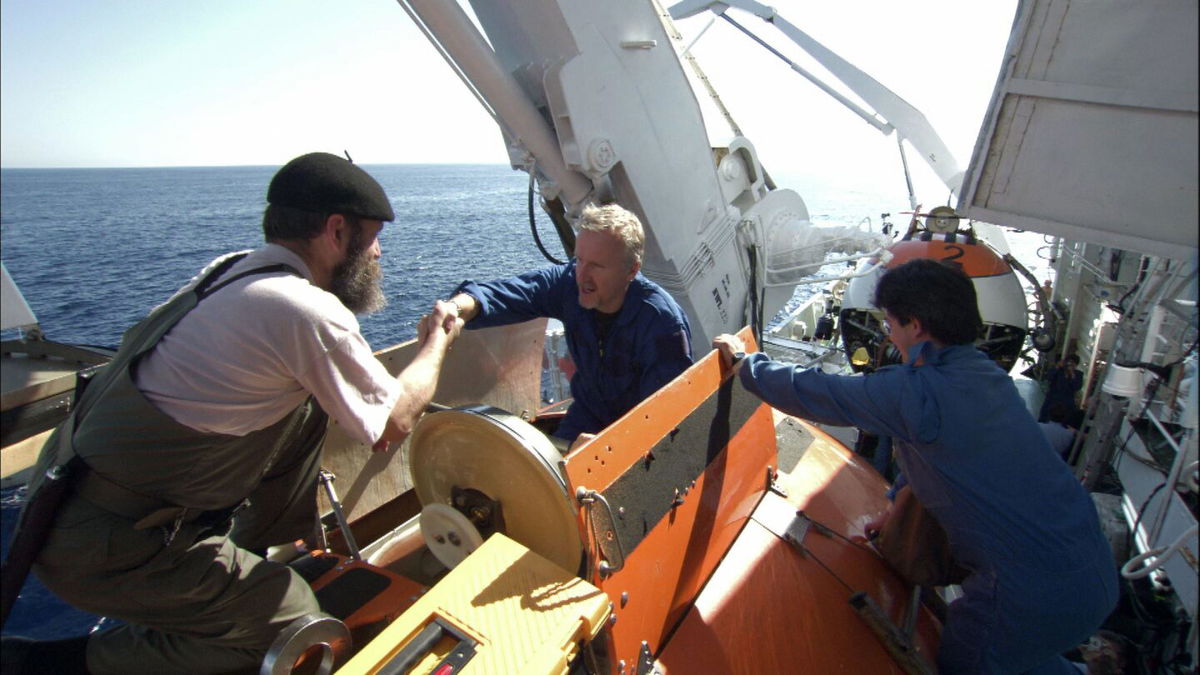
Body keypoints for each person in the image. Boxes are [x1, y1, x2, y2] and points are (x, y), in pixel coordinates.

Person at [3, 152, 463, 674]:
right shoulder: (301, 309)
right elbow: (391, 425)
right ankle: (46, 664)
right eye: (374, 237)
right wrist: (437, 341)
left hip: (75, 502)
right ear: (337, 231)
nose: (379, 253)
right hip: (113, 542)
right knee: (293, 632)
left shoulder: (233, 271)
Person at [713, 258, 1117, 674]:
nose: (889, 335)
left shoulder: (914, 393)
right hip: (1094, 574)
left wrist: (747, 363)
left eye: (890, 324)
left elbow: (817, 393)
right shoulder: (985, 375)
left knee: (968, 659)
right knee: (1022, 655)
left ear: (916, 327)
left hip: (1029, 595)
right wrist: (896, 506)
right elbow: (947, 458)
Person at [446, 203, 692, 449]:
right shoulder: (568, 286)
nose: (582, 275)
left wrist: (609, 449)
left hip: (635, 438)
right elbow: (513, 293)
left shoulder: (661, 324)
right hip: (585, 418)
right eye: (579, 260)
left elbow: (665, 423)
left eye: (596, 265)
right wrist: (458, 308)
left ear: (632, 270)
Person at [1039, 354, 1083, 423]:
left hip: (1066, 403)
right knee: (1045, 419)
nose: (1070, 365)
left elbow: (1077, 387)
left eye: (1073, 363)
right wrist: (1057, 367)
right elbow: (1049, 377)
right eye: (1069, 362)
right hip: (1052, 400)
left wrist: (1072, 375)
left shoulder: (1078, 374)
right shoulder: (1058, 371)